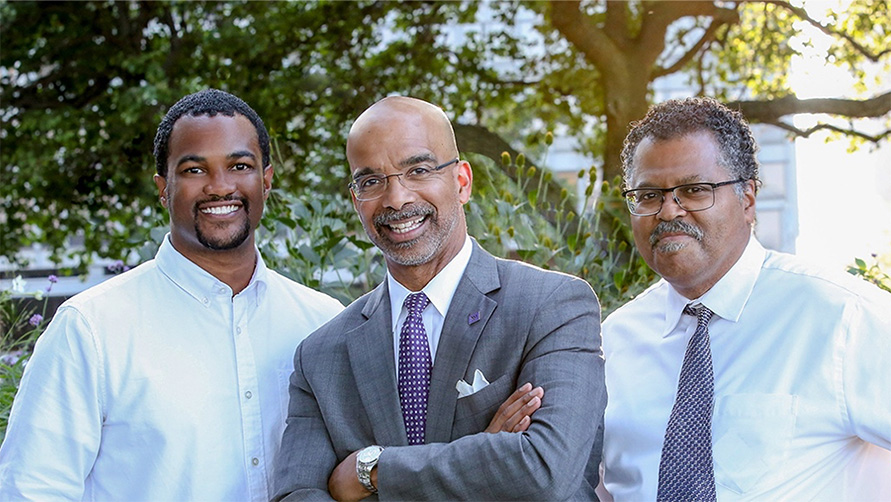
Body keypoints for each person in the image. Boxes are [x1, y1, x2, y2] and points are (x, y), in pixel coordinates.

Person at [0, 89, 344, 501]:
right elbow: (33, 490)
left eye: (239, 165)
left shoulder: (322, 322)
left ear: (266, 180)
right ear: (164, 188)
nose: (220, 187)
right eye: (195, 170)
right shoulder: (91, 330)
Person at [272, 96, 606, 501]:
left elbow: (545, 471)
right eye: (371, 181)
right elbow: (297, 497)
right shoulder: (321, 357)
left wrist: (371, 470)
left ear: (462, 182)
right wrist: (486, 454)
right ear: (355, 201)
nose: (397, 198)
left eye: (418, 170)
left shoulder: (552, 307)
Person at [602, 96, 891, 501]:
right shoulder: (614, 340)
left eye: (694, 190)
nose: (668, 211)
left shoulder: (840, 317)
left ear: (748, 199)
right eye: (649, 195)